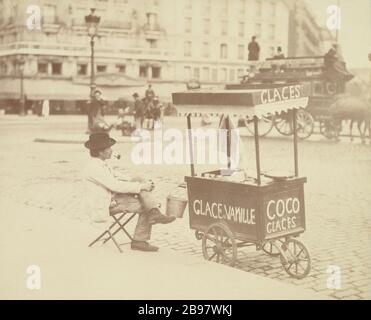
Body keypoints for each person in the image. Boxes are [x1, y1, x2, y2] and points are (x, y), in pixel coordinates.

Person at [82, 132, 176, 252]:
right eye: (109, 148)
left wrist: (140, 183)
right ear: (100, 151)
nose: (111, 151)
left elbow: (118, 176)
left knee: (138, 179)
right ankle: (140, 239)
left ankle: (154, 212)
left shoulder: (100, 164)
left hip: (112, 198)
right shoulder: (94, 168)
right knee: (145, 205)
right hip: (104, 205)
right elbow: (115, 185)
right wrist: (141, 187)